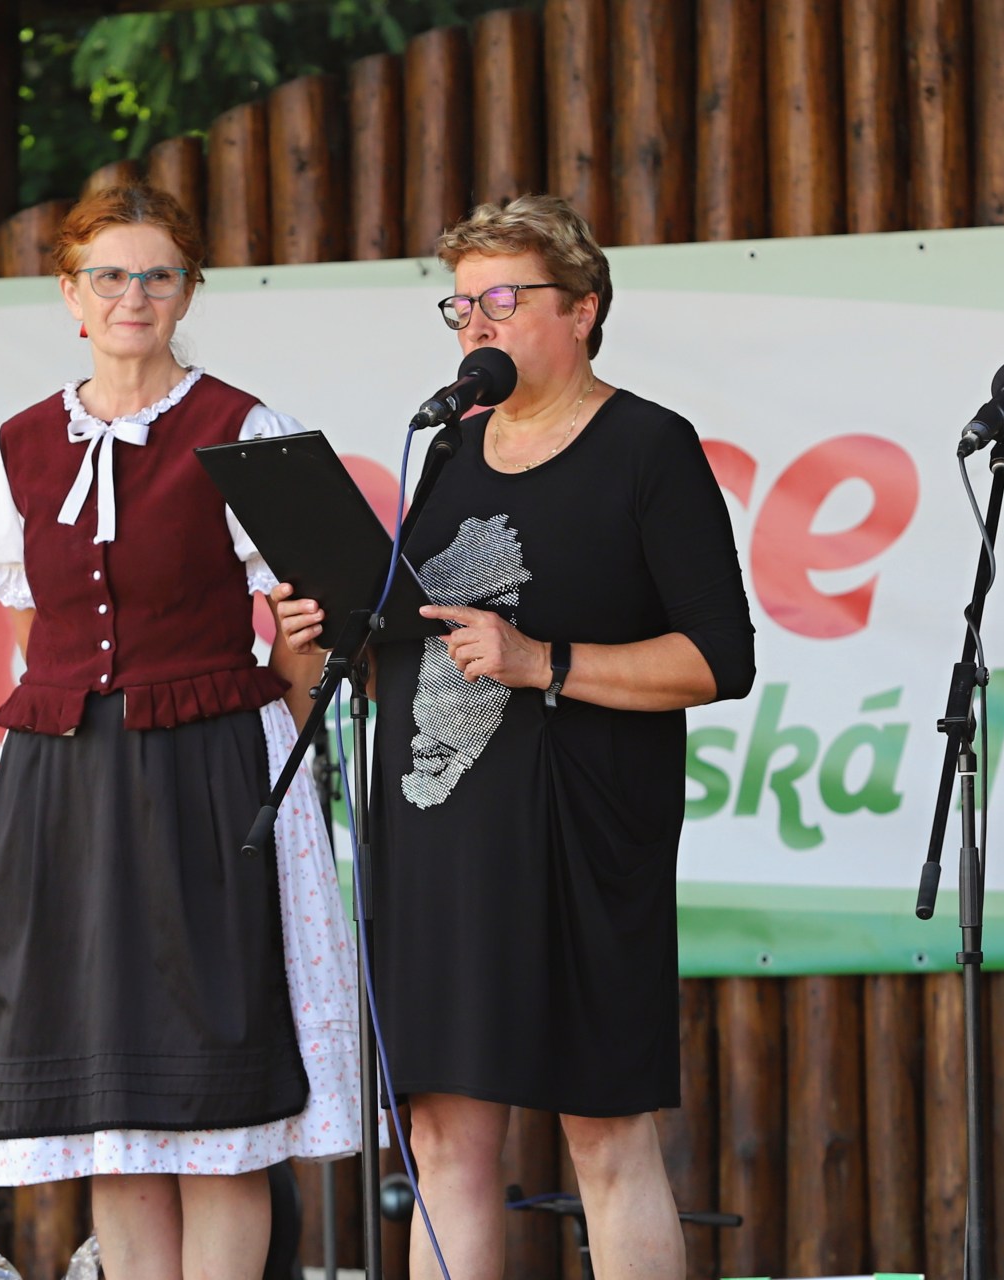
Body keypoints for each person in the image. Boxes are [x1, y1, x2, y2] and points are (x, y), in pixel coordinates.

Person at [275, 193, 756, 1278]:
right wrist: (334, 631)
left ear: (583, 309)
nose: (476, 325)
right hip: (440, 833)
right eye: (460, 306)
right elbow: (422, 644)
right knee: (445, 1137)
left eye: (503, 299)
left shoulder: (650, 446)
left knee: (605, 1133)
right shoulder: (448, 450)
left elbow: (720, 658)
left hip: (585, 828)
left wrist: (547, 662)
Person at [0, 183, 360, 1280]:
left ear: (188, 291)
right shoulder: (21, 444)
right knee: (114, 1124)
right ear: (70, 294)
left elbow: (307, 625)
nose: (134, 295)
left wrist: (279, 753)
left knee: (218, 1119)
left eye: (158, 274)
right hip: (66, 784)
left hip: (210, 771)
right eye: (111, 275)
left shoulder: (244, 428)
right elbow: (32, 625)